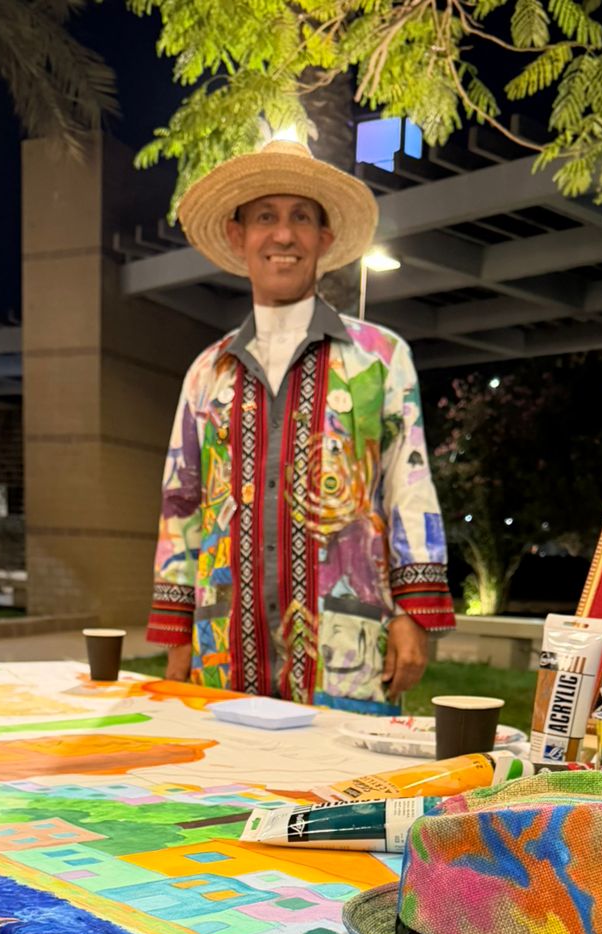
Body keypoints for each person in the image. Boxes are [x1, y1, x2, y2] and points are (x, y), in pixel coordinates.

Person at [145, 137, 455, 712]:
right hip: (223, 651)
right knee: (229, 771)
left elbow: (409, 487)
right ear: (238, 235)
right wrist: (177, 633)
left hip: (348, 651)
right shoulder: (207, 373)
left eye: (301, 218)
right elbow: (180, 505)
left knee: (345, 773)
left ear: (324, 238)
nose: (283, 235)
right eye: (265, 217)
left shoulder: (380, 358)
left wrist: (414, 612)